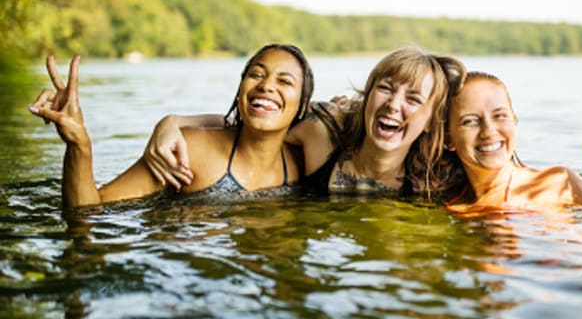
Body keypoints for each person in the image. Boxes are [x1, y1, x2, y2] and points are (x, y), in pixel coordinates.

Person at [144, 48, 466, 197]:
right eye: (385, 88)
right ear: (368, 97)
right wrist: (175, 121)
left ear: (429, 122)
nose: (393, 105)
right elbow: (259, 125)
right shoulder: (321, 132)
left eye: (413, 99)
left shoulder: (435, 175)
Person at [28, 44, 314, 208]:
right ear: (240, 90)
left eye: (284, 81)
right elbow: (90, 210)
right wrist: (79, 144)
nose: (266, 86)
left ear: (302, 105)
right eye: (256, 74)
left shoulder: (305, 161)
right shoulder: (188, 149)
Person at [445, 72, 582, 214]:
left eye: (500, 116)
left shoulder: (557, 182)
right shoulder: (453, 206)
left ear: (514, 121)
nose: (488, 132)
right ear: (448, 139)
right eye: (470, 121)